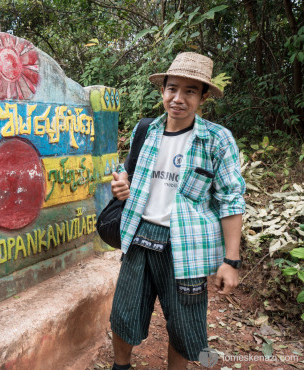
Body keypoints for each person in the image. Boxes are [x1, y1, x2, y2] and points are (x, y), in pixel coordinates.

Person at [109, 52, 246, 369]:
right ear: (162, 90)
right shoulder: (146, 131)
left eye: (190, 91)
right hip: (140, 237)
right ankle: (120, 366)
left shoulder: (216, 140)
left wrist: (231, 260)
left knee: (184, 327)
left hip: (188, 246)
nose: (178, 98)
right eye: (173, 88)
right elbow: (129, 175)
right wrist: (122, 186)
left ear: (203, 96)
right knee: (124, 314)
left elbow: (231, 198)